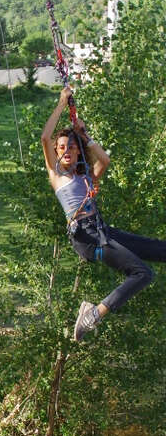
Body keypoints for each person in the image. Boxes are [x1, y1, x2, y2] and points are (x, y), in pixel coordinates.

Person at [41, 87, 166, 342]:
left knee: (161, 250)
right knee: (143, 273)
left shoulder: (85, 176)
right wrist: (62, 104)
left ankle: (95, 313)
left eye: (70, 148)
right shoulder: (58, 176)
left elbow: (105, 160)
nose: (65, 151)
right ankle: (93, 315)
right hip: (87, 237)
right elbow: (45, 138)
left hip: (101, 231)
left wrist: (84, 135)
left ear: (77, 152)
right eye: (61, 148)